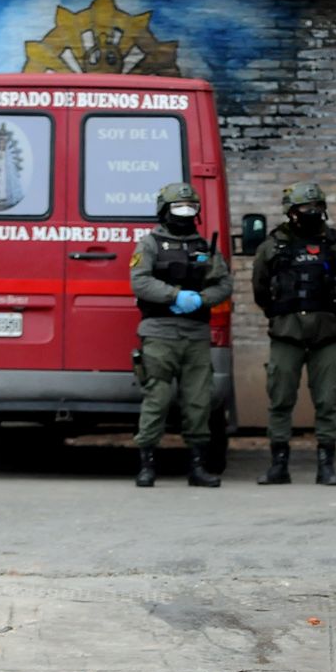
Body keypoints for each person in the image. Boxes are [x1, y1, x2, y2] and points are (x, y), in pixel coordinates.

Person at [251, 181, 336, 486]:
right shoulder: (272, 246)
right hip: (285, 333)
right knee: (280, 398)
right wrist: (279, 312)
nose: (312, 213)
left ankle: (326, 464)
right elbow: (260, 288)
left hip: (326, 333)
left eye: (316, 207)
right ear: (291, 212)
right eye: (304, 208)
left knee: (327, 400)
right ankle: (278, 464)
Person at [130, 182, 233, 489]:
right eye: (178, 209)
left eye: (190, 209)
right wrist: (175, 295)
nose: (185, 214)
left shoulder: (204, 247)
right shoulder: (149, 244)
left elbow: (223, 284)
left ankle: (198, 467)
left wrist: (202, 299)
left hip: (195, 334)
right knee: (157, 399)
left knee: (198, 401)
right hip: (159, 333)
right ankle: (147, 466)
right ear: (164, 211)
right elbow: (140, 282)